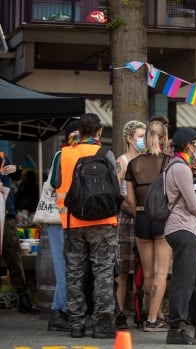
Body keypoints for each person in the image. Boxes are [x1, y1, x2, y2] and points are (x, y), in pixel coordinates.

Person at [56, 113, 118, 339]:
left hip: (72, 222)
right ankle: (102, 324)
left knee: (74, 273)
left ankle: (76, 324)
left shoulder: (64, 154)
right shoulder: (106, 153)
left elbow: (56, 184)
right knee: (102, 272)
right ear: (99, 132)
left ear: (79, 132)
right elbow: (115, 186)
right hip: (103, 221)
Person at [164, 128, 196, 345]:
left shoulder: (172, 165)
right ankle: (175, 328)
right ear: (187, 145)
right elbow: (192, 204)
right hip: (183, 227)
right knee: (183, 280)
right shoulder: (181, 168)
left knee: (193, 279)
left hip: (180, 228)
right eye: (195, 143)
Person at [125, 119, 171, 332]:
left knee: (148, 273)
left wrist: (139, 214)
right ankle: (153, 319)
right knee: (161, 273)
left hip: (142, 219)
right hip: (162, 220)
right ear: (164, 138)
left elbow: (131, 202)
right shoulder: (169, 162)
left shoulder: (133, 164)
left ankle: (153, 314)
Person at [46, 120, 80, 331]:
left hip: (70, 219)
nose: (77, 138)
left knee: (70, 266)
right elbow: (54, 183)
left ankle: (61, 311)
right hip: (59, 219)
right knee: (63, 267)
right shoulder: (62, 155)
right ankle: (58, 311)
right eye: (73, 134)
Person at [114, 120, 146, 329]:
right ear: (129, 138)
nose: (142, 140)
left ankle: (141, 312)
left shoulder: (146, 160)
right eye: (140, 136)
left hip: (144, 218)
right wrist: (130, 208)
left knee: (144, 269)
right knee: (123, 270)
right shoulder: (122, 162)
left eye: (144, 136)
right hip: (126, 219)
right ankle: (119, 313)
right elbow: (116, 193)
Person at [0, 152, 40, 314]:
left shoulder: (2, 156)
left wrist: (16, 168)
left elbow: (16, 175)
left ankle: (23, 298)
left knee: (14, 256)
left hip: (6, 214)